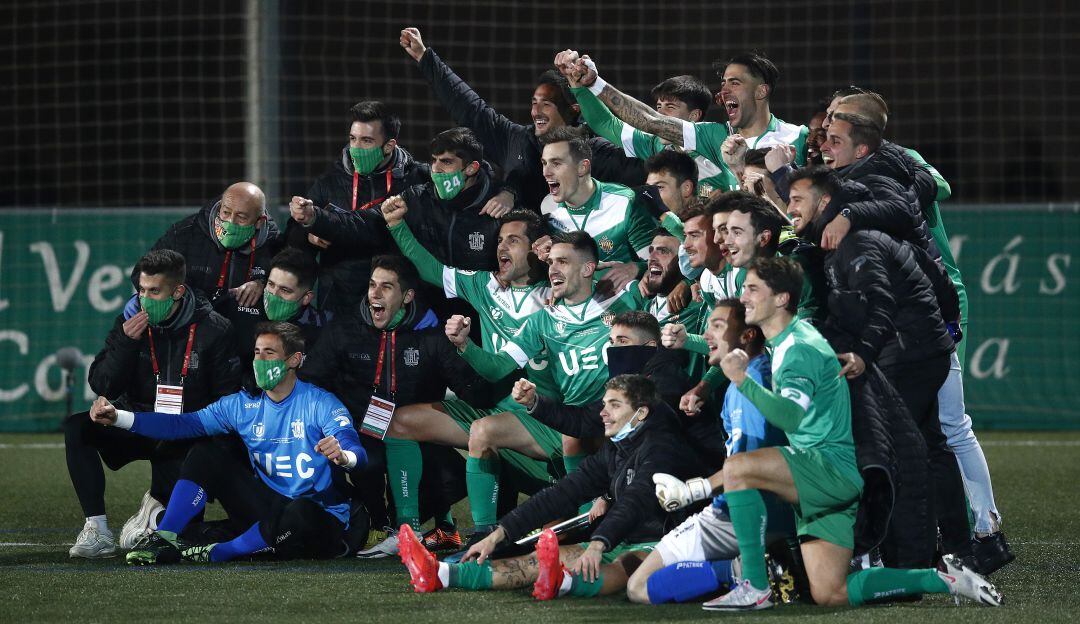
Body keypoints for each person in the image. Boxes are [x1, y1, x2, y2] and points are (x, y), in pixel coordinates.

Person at [659, 257, 1001, 610]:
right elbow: (742, 348)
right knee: (831, 592)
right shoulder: (789, 339)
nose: (743, 296)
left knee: (738, 469)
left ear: (781, 299)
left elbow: (790, 417)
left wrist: (741, 381)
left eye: (752, 289)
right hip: (833, 478)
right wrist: (694, 343)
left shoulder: (799, 348)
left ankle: (755, 587)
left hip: (824, 469)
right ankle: (943, 578)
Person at [786, 165, 971, 565]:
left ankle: (902, 551)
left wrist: (862, 355)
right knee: (928, 446)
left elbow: (881, 304)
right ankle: (955, 547)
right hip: (917, 348)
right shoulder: (840, 237)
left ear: (823, 202)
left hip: (909, 352)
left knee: (892, 450)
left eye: (797, 200)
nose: (789, 208)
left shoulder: (856, 241)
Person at [397, 375, 705, 603]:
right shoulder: (617, 448)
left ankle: (564, 584)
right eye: (604, 404)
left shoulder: (662, 447)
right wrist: (500, 533)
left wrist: (598, 544)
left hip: (667, 542)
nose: (603, 412)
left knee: (623, 565)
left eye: (614, 405)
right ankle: (440, 574)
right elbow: (563, 493)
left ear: (640, 413)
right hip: (622, 538)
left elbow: (636, 500)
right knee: (533, 562)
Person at [88, 322, 367, 565]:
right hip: (268, 508)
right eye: (257, 353)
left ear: (294, 360)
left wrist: (344, 457)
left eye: (269, 353)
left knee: (300, 511)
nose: (260, 361)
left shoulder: (320, 403)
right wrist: (119, 417)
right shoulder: (241, 405)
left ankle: (220, 552)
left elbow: (355, 449)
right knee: (207, 452)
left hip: (319, 520)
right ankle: (165, 537)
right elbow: (182, 425)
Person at [378, 202, 560, 553]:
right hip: (494, 414)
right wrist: (397, 224)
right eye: (500, 241)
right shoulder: (483, 286)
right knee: (398, 422)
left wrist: (556, 259)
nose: (501, 247)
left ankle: (483, 536)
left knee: (485, 431)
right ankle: (407, 532)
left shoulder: (555, 296)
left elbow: (593, 281)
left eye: (513, 241)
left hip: (547, 427)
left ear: (537, 249)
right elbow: (431, 268)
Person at [299, 255, 491, 558]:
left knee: (452, 474)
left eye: (386, 287)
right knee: (366, 460)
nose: (375, 294)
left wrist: (468, 350)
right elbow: (311, 382)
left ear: (407, 296)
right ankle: (381, 523)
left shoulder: (431, 336)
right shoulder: (345, 330)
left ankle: (439, 527)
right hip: (357, 430)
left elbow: (471, 388)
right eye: (372, 285)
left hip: (411, 433)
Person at [64, 250, 240, 557]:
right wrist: (126, 344)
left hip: (185, 433)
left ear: (178, 291)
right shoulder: (128, 322)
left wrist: (196, 428)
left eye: (154, 292)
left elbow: (226, 399)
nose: (145, 299)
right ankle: (97, 529)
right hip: (136, 422)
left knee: (180, 532)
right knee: (78, 428)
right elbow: (103, 384)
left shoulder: (214, 329)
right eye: (141, 291)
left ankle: (155, 507)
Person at [625, 299, 793, 605]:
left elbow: (750, 469)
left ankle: (745, 571)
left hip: (739, 514)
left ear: (747, 336)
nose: (706, 336)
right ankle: (748, 566)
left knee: (639, 586)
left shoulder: (750, 385)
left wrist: (693, 491)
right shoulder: (747, 378)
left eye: (717, 326)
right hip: (766, 512)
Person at [400, 27, 646, 211]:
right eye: (533, 103)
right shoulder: (516, 139)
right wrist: (425, 58)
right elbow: (470, 107)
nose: (536, 111)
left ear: (573, 108)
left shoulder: (596, 150)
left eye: (546, 104)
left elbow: (649, 172)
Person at [557, 50, 808, 197]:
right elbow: (649, 122)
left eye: (735, 82)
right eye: (723, 83)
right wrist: (591, 84)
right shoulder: (716, 136)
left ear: (761, 91)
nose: (724, 90)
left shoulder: (799, 136)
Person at [286, 101, 429, 312]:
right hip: (337, 301)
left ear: (389, 146)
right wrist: (309, 235)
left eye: (367, 141)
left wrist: (498, 193)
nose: (356, 148)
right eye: (353, 139)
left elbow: (370, 227)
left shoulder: (416, 181)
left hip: (394, 302)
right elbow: (292, 237)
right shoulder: (330, 182)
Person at [537, 127, 659, 294]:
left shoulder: (624, 202)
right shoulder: (548, 207)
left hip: (621, 305)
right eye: (544, 163)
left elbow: (657, 261)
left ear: (582, 167)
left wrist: (635, 268)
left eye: (556, 163)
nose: (546, 172)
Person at [138, 182, 280, 316]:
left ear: (259, 222)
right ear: (219, 208)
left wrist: (263, 284)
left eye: (241, 217)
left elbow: (293, 284)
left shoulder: (273, 242)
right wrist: (190, 304)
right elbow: (143, 273)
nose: (230, 222)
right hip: (191, 326)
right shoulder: (184, 234)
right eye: (226, 212)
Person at [230, 247, 325, 368]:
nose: (274, 295)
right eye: (271, 284)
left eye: (285, 290)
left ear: (307, 297)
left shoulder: (320, 329)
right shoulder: (243, 302)